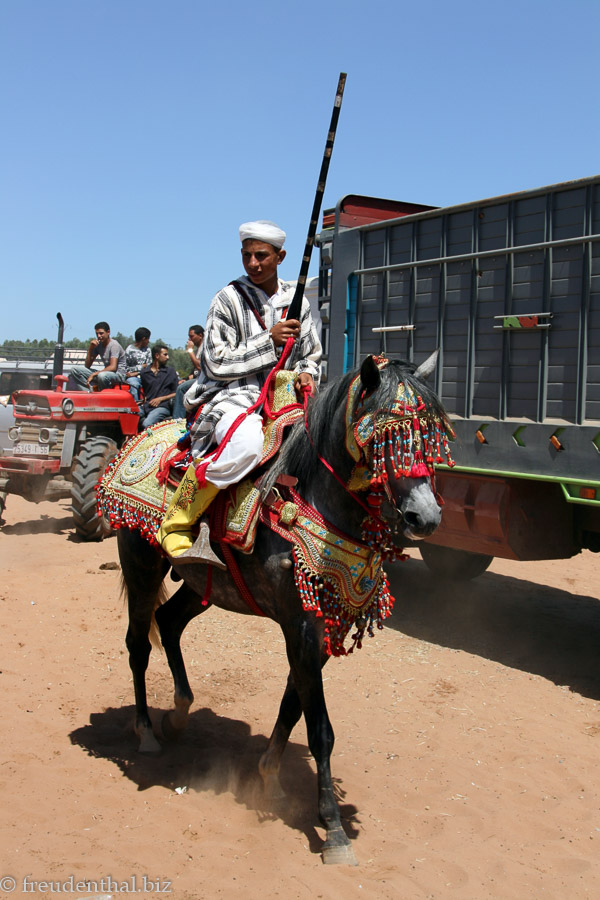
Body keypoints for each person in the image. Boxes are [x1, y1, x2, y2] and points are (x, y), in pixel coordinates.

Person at [156, 219, 322, 564]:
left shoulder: (298, 303)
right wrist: (268, 340)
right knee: (247, 446)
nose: (253, 264)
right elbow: (214, 362)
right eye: (247, 256)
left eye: (261, 256)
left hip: (284, 401)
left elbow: (311, 356)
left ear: (281, 257)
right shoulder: (227, 299)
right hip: (232, 398)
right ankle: (179, 520)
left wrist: (307, 374)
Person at [67, 322, 126, 391]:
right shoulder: (99, 345)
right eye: (97, 334)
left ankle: (103, 396)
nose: (98, 336)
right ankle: (88, 392)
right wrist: (91, 348)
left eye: (101, 333)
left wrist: (95, 374)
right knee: (74, 370)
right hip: (105, 373)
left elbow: (113, 367)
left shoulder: (114, 345)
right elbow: (87, 365)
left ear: (108, 332)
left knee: (102, 376)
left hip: (118, 375)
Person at [139, 344, 178, 429]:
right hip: (147, 406)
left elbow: (176, 392)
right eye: (165, 354)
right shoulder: (144, 373)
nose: (168, 357)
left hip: (163, 406)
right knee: (129, 415)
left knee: (147, 423)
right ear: (157, 355)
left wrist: (160, 399)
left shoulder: (170, 372)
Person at [172, 325, 204, 419]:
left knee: (181, 389)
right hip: (197, 378)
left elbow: (199, 367)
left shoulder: (205, 347)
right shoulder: (199, 349)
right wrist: (186, 378)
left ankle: (178, 420)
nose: (189, 339)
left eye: (192, 336)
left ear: (200, 335)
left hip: (205, 380)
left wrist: (190, 350)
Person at [124, 327, 152, 402]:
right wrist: (141, 367)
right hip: (133, 378)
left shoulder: (148, 350)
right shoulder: (129, 350)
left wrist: (136, 372)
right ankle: (136, 406)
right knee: (134, 384)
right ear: (143, 339)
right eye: (148, 339)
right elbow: (126, 368)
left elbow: (149, 366)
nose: (148, 341)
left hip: (145, 376)